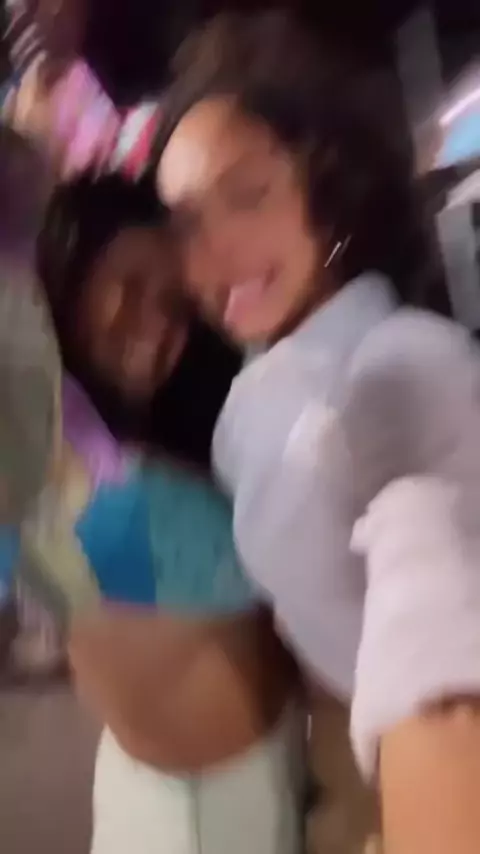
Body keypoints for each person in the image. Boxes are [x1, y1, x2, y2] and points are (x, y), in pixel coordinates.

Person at [152, 9, 480, 850]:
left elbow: (442, 642)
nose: (216, 253)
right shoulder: (256, 385)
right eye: (187, 221)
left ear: (328, 189)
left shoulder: (399, 365)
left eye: (248, 196)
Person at [36, 173, 301, 854]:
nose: (157, 326)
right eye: (128, 288)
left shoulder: (111, 437)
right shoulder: (81, 478)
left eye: (176, 303)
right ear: (68, 283)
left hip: (149, 779)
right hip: (211, 817)